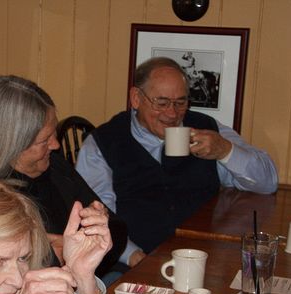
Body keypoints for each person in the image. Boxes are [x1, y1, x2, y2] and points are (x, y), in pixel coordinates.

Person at [0, 75, 138, 283]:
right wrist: (63, 255)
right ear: (10, 144)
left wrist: (71, 251)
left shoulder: (54, 166)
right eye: (44, 140)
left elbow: (116, 229)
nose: (55, 145)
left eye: (53, 133)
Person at [75, 57, 278, 254]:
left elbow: (267, 183)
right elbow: (96, 220)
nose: (172, 114)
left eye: (180, 103)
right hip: (132, 261)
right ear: (136, 98)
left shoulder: (207, 129)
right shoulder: (102, 143)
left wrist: (225, 150)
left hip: (204, 252)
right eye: (161, 103)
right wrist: (134, 257)